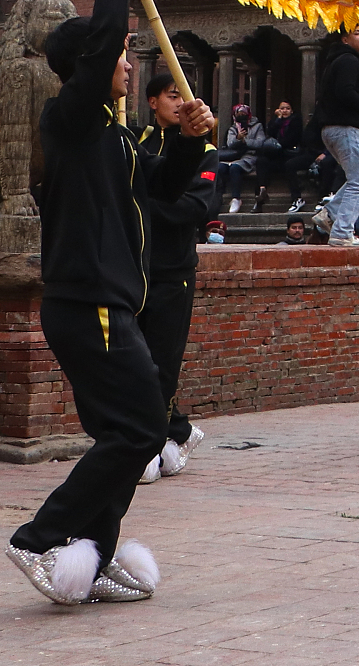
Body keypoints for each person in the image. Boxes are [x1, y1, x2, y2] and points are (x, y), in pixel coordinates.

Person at [6, 0, 213, 606]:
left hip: (109, 303)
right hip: (87, 302)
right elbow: (103, 48)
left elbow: (164, 187)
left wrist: (188, 139)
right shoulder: (68, 119)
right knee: (141, 427)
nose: (130, 64)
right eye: (122, 56)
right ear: (90, 64)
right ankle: (40, 537)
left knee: (126, 434)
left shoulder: (115, 140)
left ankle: (94, 553)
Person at [132, 73, 220, 484]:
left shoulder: (202, 151)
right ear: (152, 101)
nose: (181, 104)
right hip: (134, 270)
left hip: (173, 272)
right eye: (172, 96)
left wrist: (142, 205)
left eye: (186, 97)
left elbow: (193, 207)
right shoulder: (135, 146)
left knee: (163, 364)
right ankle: (175, 431)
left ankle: (150, 447)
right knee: (136, 364)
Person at [312, 31, 359, 248]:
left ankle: (329, 213)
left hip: (334, 128)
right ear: (344, 39)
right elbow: (345, 92)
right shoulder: (348, 60)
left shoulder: (335, 62)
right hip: (344, 129)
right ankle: (342, 232)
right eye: (356, 33)